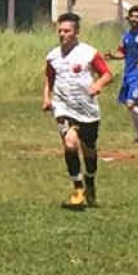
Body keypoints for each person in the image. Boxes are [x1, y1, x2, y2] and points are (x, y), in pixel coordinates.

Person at [42, 12, 113, 211]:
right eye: (60, 30)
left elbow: (107, 74)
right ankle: (78, 189)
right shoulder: (53, 56)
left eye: (67, 31)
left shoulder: (89, 53)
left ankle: (90, 181)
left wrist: (97, 84)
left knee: (89, 151)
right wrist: (47, 98)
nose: (63, 34)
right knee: (70, 143)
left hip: (87, 109)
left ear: (77, 32)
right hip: (63, 106)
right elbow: (49, 78)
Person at [105, 6, 138, 147]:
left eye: (137, 16)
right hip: (128, 73)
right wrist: (112, 56)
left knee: (131, 103)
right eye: (132, 16)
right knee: (131, 103)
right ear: (128, 18)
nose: (134, 19)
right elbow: (122, 53)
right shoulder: (126, 36)